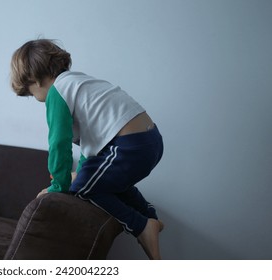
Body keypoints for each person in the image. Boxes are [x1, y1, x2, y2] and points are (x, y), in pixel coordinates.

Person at [10, 39, 164, 260]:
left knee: (83, 186)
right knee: (107, 182)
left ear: (34, 81)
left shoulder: (57, 92)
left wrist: (59, 185)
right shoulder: (79, 83)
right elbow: (91, 150)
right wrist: (81, 172)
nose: (36, 99)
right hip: (150, 141)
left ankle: (140, 226)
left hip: (130, 145)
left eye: (31, 94)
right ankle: (151, 217)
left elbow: (58, 143)